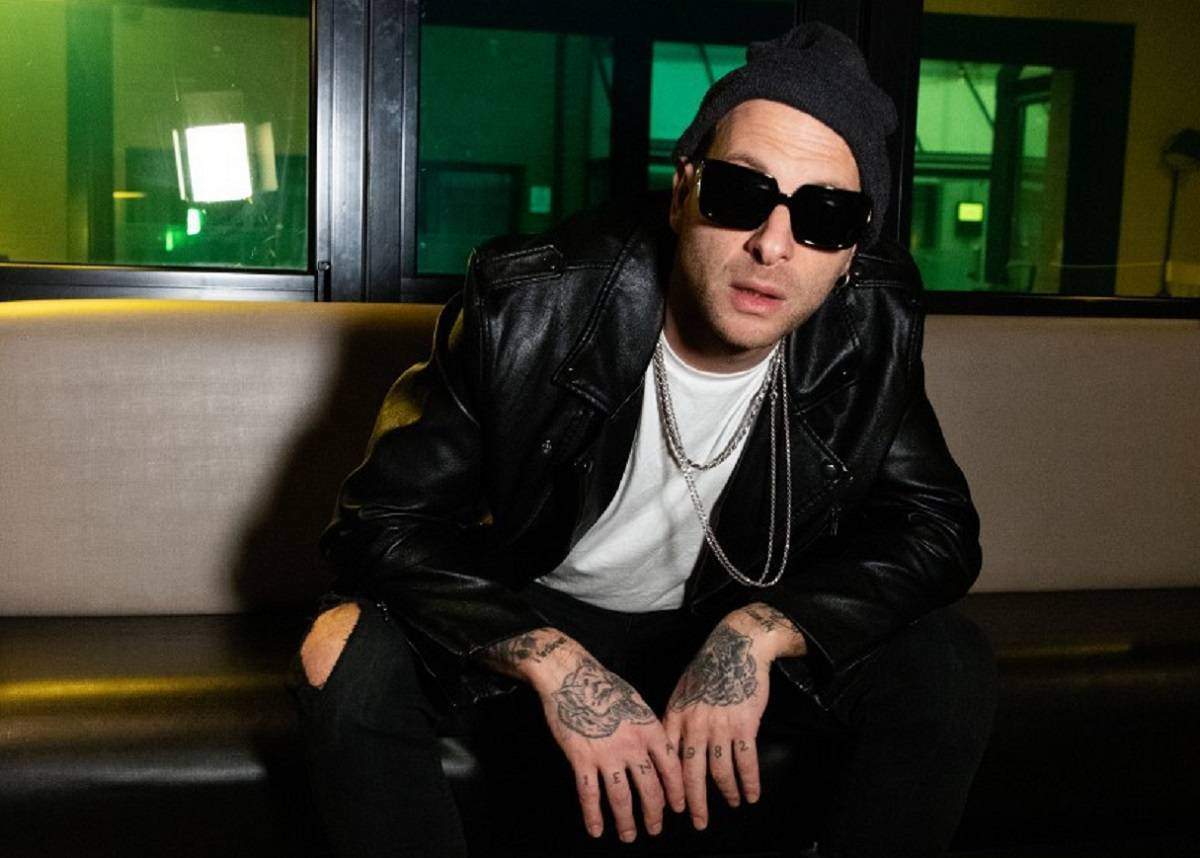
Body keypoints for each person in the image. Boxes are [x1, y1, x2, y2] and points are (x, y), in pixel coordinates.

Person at [289, 22, 996, 858]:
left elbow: (937, 530)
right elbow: (378, 526)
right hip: (533, 602)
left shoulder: (873, 321)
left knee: (946, 658)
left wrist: (762, 629)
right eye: (740, 193)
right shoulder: (531, 300)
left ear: (852, 251)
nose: (773, 245)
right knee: (342, 654)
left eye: (825, 215)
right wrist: (552, 660)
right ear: (683, 189)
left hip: (730, 610)